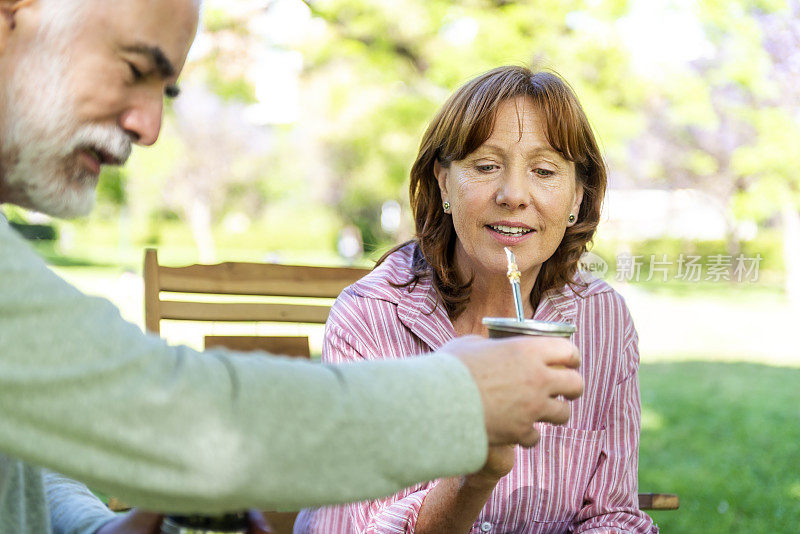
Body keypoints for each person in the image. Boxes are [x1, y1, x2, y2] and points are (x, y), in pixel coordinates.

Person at [0, 1, 585, 532]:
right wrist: (464, 397)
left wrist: (99, 530)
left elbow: (18, 455)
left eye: (166, 93)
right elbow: (169, 410)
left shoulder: (598, 310)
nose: (149, 128)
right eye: (133, 69)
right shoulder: (375, 307)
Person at [297, 66, 657, 533]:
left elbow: (612, 515)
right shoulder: (371, 318)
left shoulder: (601, 319)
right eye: (486, 166)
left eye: (544, 170)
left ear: (577, 197)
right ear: (444, 183)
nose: (513, 195)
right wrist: (476, 472)